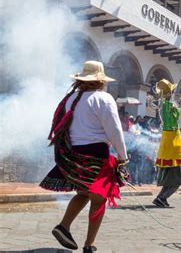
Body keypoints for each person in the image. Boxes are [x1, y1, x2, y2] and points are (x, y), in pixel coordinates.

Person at [40, 61, 128, 253]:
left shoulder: (71, 98)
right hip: (96, 155)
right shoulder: (104, 99)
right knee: (99, 198)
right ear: (100, 81)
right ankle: (89, 245)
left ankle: (63, 226)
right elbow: (114, 130)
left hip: (72, 155)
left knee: (83, 193)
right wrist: (123, 156)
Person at [153, 79, 181, 208]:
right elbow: (174, 120)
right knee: (176, 181)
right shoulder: (169, 105)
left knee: (172, 179)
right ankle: (161, 198)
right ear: (171, 91)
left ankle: (161, 198)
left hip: (168, 140)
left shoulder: (164, 104)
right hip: (172, 142)